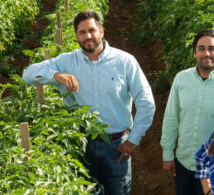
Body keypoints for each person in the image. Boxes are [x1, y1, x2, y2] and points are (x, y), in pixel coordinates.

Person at [22, 10, 155, 195]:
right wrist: (56, 75)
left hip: (117, 146)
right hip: (82, 146)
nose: (88, 36)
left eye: (92, 30)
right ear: (76, 35)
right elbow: (28, 73)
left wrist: (134, 139)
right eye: (82, 32)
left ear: (101, 31)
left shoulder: (125, 61)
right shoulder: (67, 61)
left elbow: (146, 101)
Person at [160, 29, 214, 195]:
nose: (206, 53)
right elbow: (171, 119)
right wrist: (168, 154)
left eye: (212, 49)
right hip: (183, 164)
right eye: (201, 48)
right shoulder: (181, 79)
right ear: (194, 52)